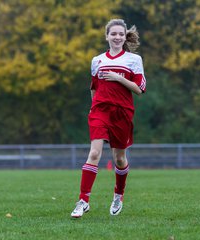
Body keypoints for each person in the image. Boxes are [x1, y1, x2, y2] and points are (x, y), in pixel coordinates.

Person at [70, 19, 146, 218]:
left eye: (121, 34)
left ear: (124, 36)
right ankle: (83, 201)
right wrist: (93, 108)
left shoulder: (134, 60)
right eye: (113, 34)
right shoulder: (97, 60)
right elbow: (94, 88)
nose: (117, 37)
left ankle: (118, 195)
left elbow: (140, 89)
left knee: (119, 159)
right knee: (94, 154)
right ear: (107, 36)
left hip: (122, 112)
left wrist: (120, 78)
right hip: (100, 111)